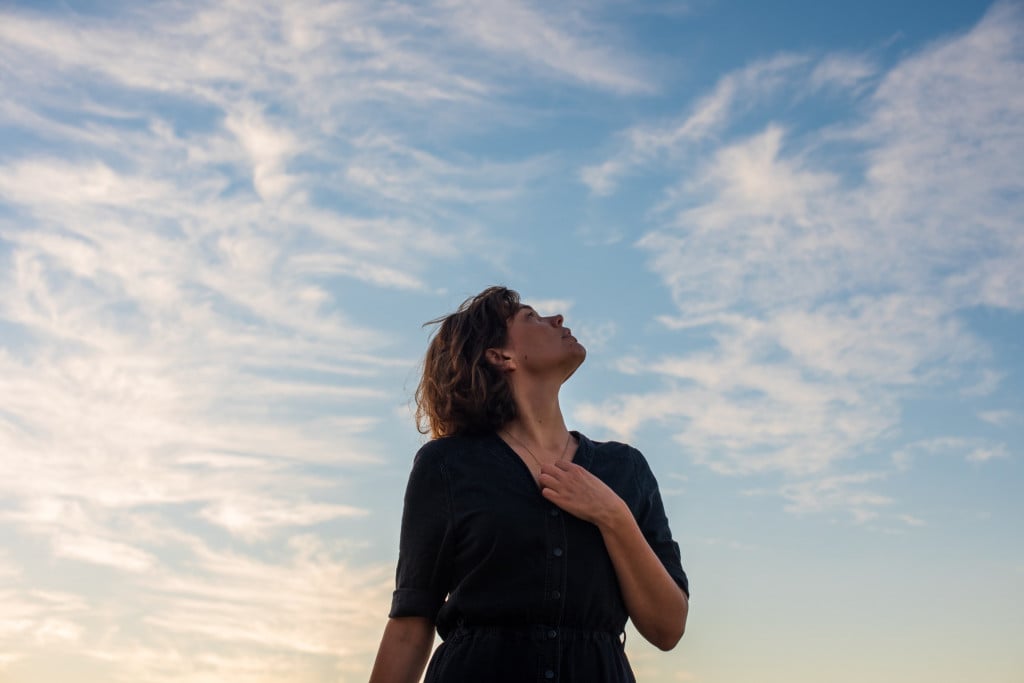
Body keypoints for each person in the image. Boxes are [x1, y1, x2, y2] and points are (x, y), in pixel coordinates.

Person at [369, 286, 689, 683]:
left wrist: (612, 515)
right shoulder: (448, 465)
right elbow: (410, 626)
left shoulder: (625, 469)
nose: (557, 319)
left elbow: (668, 628)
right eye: (531, 317)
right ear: (499, 355)